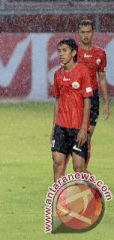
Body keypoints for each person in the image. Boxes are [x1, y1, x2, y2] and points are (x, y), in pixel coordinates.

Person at [50, 38, 93, 182]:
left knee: (78, 167)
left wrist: (83, 129)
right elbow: (57, 100)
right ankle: (60, 203)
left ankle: (93, 190)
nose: (61, 54)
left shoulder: (83, 72)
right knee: (57, 164)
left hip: (77, 127)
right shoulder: (58, 74)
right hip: (61, 127)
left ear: (73, 52)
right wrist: (54, 128)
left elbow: (87, 101)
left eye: (64, 51)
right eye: (59, 51)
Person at [77, 19, 110, 169]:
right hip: (75, 99)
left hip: (92, 99)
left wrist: (106, 103)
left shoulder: (100, 53)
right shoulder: (73, 53)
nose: (85, 35)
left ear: (93, 33)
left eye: (88, 32)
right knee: (76, 137)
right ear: (78, 33)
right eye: (83, 32)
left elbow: (102, 79)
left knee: (87, 137)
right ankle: (79, 168)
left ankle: (83, 170)